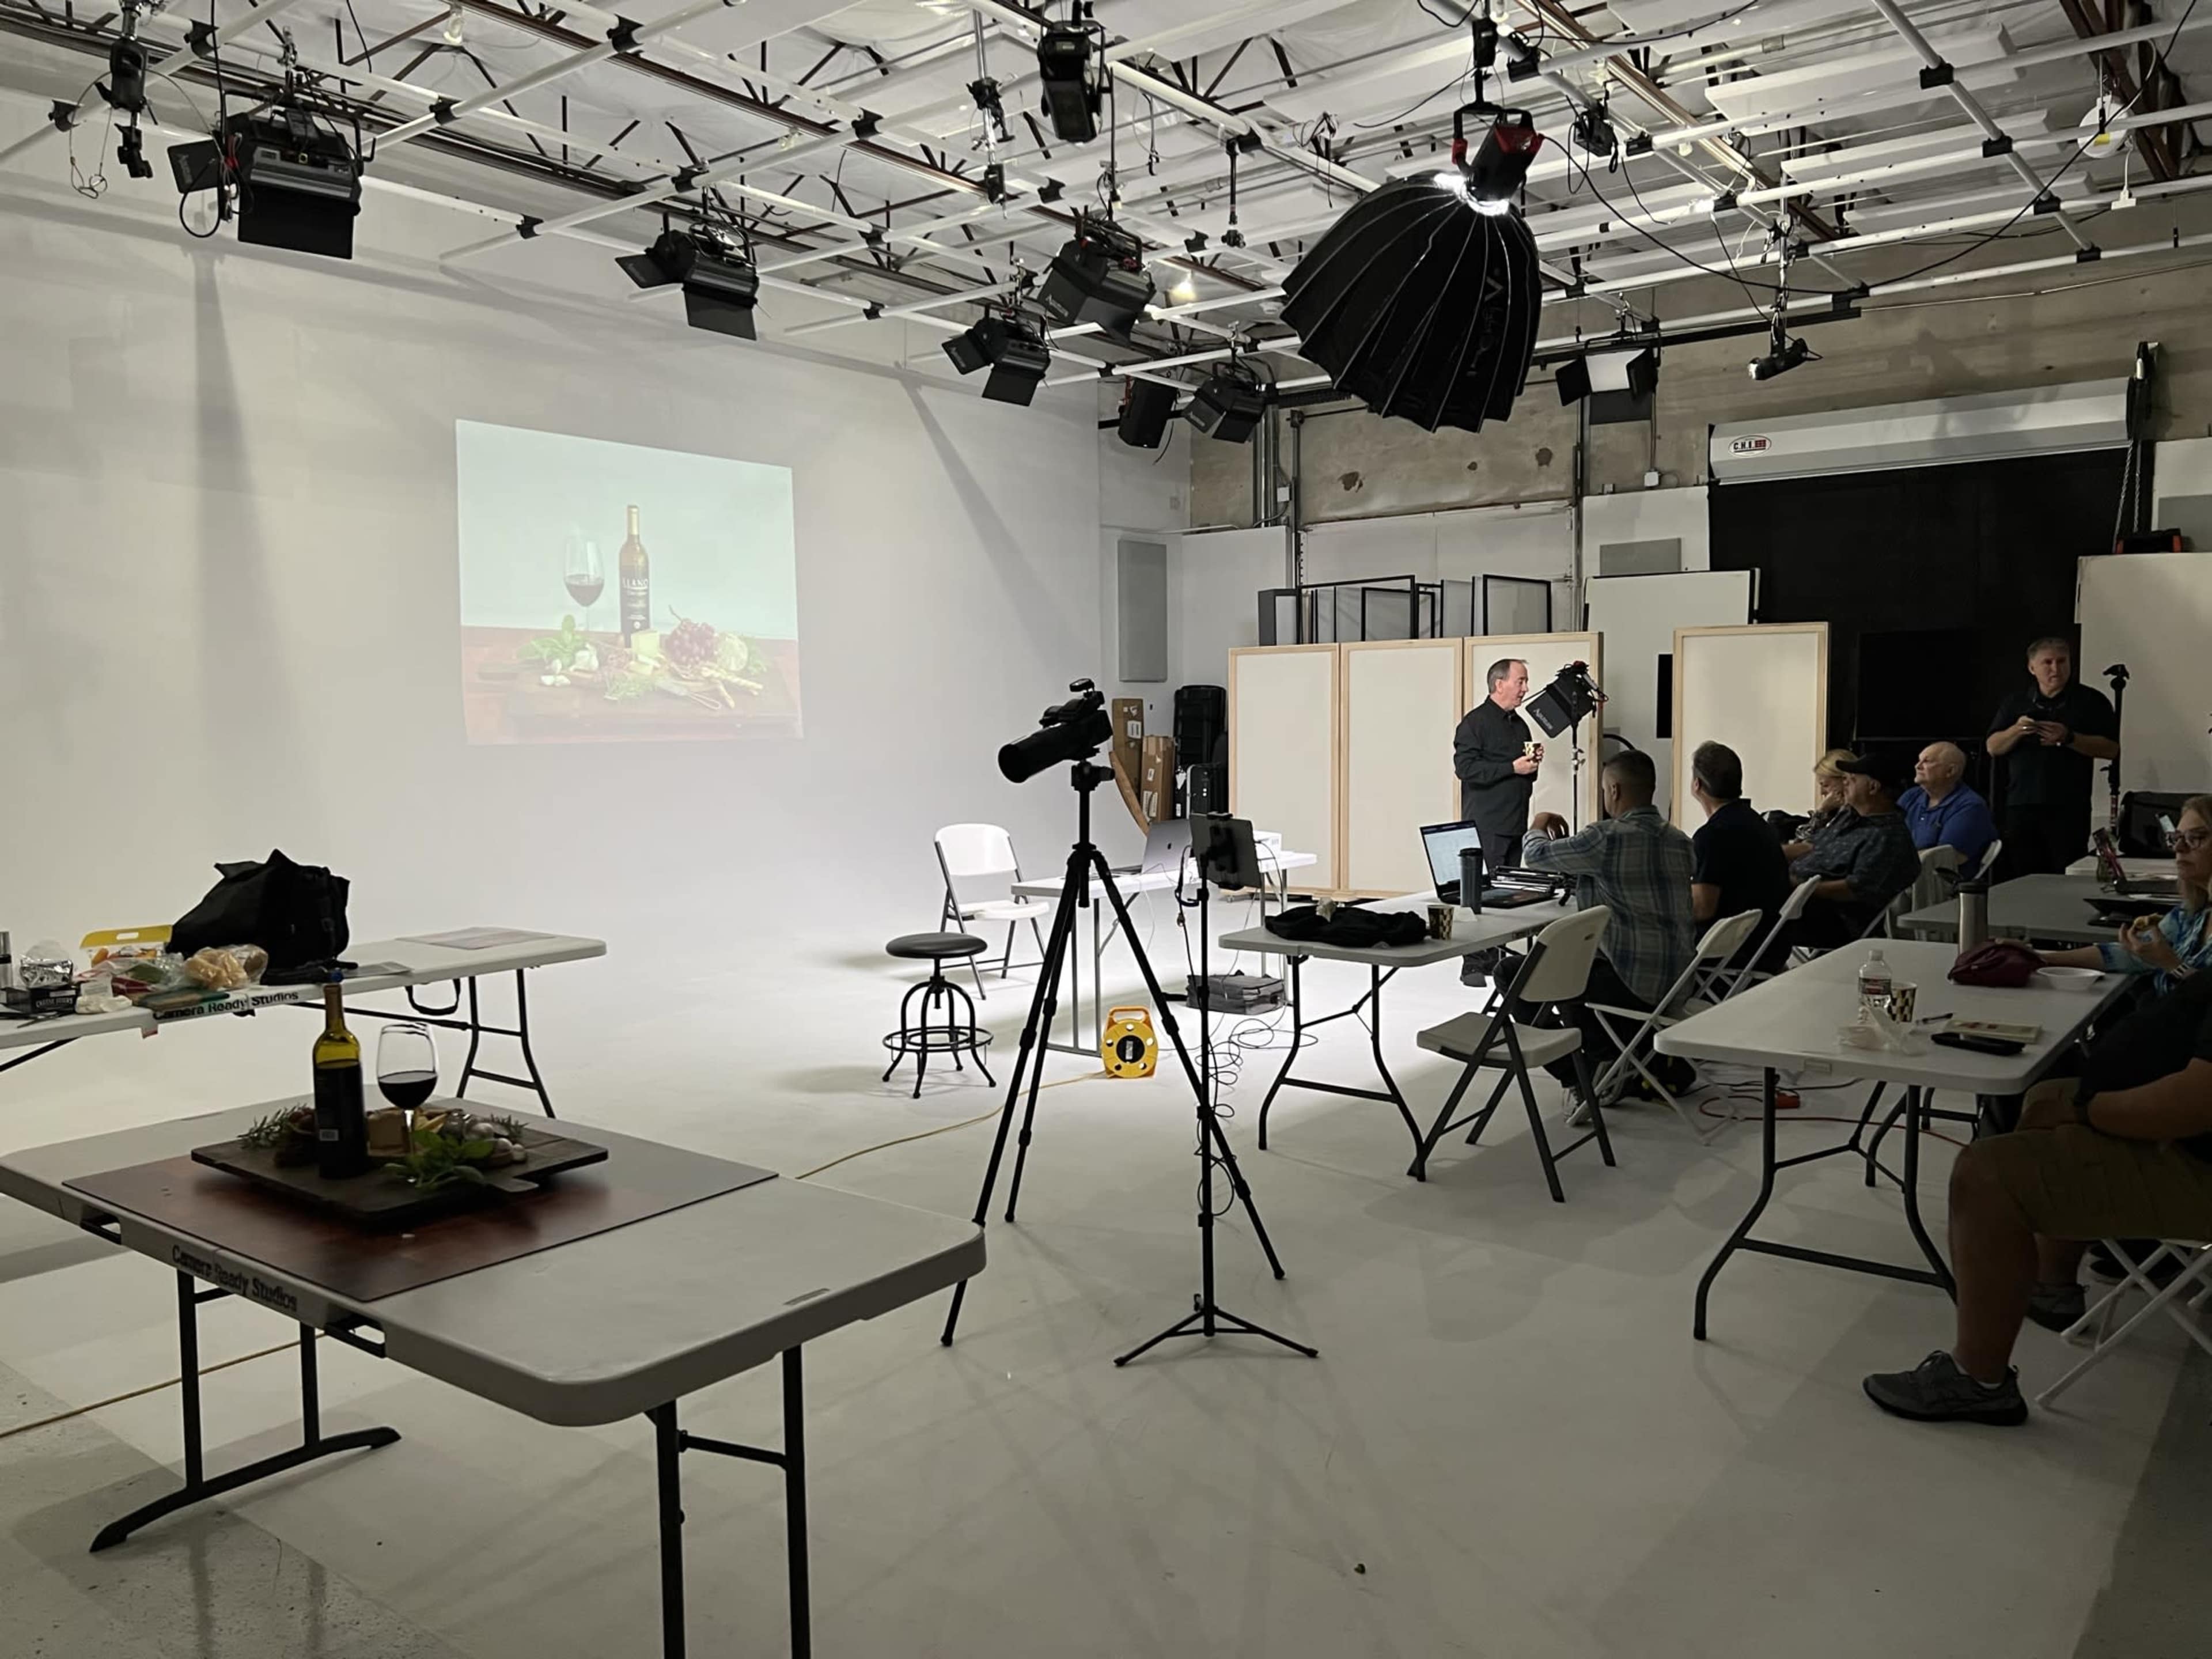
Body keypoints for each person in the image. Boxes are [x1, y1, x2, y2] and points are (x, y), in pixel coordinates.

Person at [1862, 969, 2212, 1425]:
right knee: (2046, 1096)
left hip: (2194, 1160)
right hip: (2184, 1140)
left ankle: (1978, 1381)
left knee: (1984, 1175)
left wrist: (2092, 1112)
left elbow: (2193, 1105)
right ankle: (2052, 1286)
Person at [1518, 751, 1696, 1083]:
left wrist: (1539, 821)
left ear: (1613, 790)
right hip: (1678, 981)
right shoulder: (1681, 841)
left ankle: (1583, 1075)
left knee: (1516, 972)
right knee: (1575, 967)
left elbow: (1535, 855)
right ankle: (1618, 1058)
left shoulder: (1605, 837)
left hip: (1629, 982)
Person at [2040, 794, 2212, 997]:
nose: (2178, 848)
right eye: (2176, 838)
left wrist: (2171, 964)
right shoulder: (2192, 913)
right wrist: (2042, 959)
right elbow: (2130, 955)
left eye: (2196, 839)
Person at [1985, 636, 2119, 877]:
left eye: (2062, 661)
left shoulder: (2091, 701)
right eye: (2047, 663)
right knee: (2022, 876)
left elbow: (2111, 750)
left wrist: (2069, 738)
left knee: (2064, 872)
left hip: (2068, 805)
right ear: (2032, 667)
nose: (2055, 669)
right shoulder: (2016, 702)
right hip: (2021, 804)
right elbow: (1993, 747)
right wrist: (2018, 730)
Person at [1783, 749, 1922, 947]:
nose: (1845, 782)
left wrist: (1795, 888)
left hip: (1831, 919)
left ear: (1873, 787)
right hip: (1795, 899)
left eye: (1853, 779)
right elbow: (1811, 846)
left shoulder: (1888, 838)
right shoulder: (1851, 815)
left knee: (1738, 900)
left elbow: (1853, 890)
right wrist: (1767, 853)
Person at [1687, 741, 1790, 942]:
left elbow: (1702, 909)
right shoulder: (1757, 822)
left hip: (1732, 947)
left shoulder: (1712, 836)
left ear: (1697, 785)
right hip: (1769, 941)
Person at [1453, 658, 1543, 877]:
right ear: (1500, 684)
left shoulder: (1520, 725)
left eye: (1526, 682)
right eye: (1520, 682)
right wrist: (1512, 768)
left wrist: (1532, 764)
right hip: (1489, 828)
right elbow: (1465, 769)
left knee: (1510, 891)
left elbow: (1527, 777)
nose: (1526, 689)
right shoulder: (1475, 723)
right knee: (1490, 894)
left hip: (1517, 825)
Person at [1897, 741, 1997, 871]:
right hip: (1903, 876)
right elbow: (1888, 838)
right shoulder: (1911, 796)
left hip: (1939, 882)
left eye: (1927, 761)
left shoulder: (1970, 807)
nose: (1918, 766)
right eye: (1919, 760)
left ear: (1950, 771)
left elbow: (1947, 859)